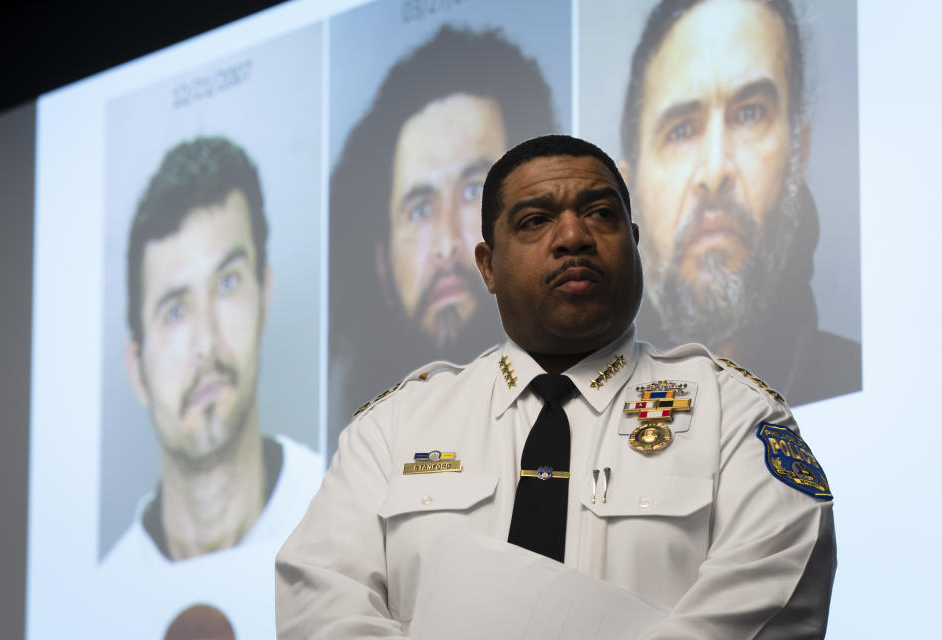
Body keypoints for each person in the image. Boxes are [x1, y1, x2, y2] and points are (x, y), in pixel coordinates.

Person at [276, 135, 835, 638]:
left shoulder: (733, 414)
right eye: (535, 220)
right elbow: (322, 605)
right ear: (487, 266)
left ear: (635, 243)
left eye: (600, 214)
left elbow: (773, 593)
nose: (574, 236)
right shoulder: (393, 430)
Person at [101, 136, 321, 638]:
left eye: (227, 283)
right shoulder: (99, 601)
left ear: (264, 294)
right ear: (136, 368)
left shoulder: (341, 510)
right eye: (174, 310)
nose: (206, 341)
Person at [328, 25, 559, 455]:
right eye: (420, 209)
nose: (446, 244)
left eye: (475, 190)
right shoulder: (359, 459)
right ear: (381, 263)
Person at [620, 0, 861, 406]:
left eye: (750, 113)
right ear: (628, 192)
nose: (715, 170)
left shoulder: (856, 383)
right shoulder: (581, 425)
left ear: (798, 154)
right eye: (681, 130)